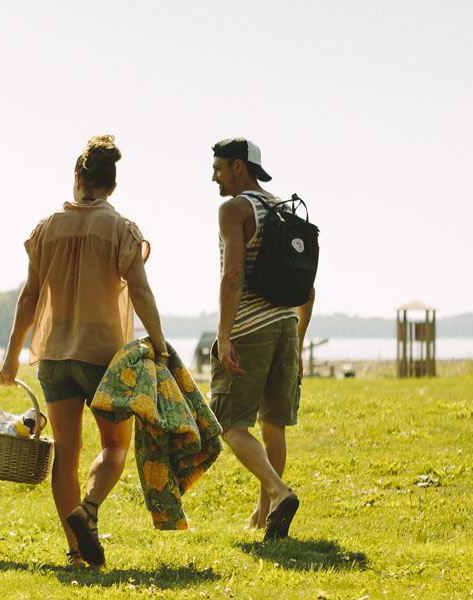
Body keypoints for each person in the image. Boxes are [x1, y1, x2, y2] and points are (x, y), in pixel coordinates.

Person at [0, 135, 169, 568]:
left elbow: (29, 297)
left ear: (78, 179)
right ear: (111, 185)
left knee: (66, 454)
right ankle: (88, 509)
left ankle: (76, 555)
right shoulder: (121, 229)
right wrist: (160, 342)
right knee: (114, 446)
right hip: (103, 356)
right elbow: (142, 292)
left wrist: (11, 355)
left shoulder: (46, 228)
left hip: (54, 355)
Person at [209, 137, 313, 541]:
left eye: (218, 168)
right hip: (287, 324)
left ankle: (278, 491)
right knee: (273, 425)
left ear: (238, 167)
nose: (213, 177)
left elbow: (233, 275)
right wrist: (299, 344)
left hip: (251, 328)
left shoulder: (234, 209)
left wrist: (224, 334)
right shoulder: (283, 209)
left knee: (230, 422)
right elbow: (308, 289)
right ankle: (266, 513)